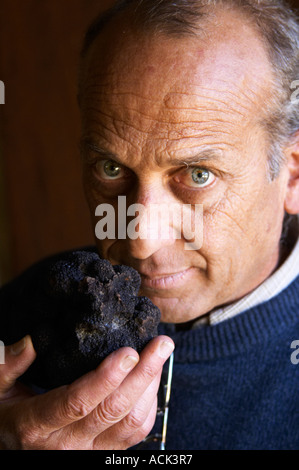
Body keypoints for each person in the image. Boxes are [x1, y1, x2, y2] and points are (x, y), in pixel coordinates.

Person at [1, 0, 299, 450]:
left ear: (293, 173)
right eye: (109, 168)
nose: (139, 241)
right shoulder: (30, 307)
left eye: (198, 176)